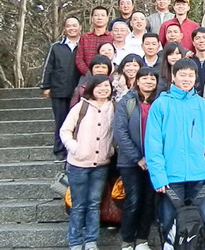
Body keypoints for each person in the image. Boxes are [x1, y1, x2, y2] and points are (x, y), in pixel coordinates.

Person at [145, 58, 205, 247]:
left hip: (199, 176)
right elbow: (153, 144)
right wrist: (159, 177)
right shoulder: (160, 105)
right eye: (182, 75)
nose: (187, 79)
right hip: (171, 177)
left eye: (190, 75)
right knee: (170, 229)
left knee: (202, 227)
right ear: (173, 77)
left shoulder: (202, 105)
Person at [60, 75, 115, 250]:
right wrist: (75, 148)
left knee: (94, 204)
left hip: (101, 164)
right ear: (91, 88)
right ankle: (75, 242)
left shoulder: (113, 107)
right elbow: (65, 130)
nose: (103, 89)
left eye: (106, 86)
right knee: (78, 205)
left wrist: (110, 150)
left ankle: (91, 241)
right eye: (99, 86)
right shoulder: (81, 107)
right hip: (78, 164)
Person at [113, 67, 159, 250]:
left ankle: (142, 239)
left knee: (149, 200)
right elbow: (120, 132)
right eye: (144, 78)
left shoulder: (160, 102)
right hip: (130, 162)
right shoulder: (127, 102)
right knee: (133, 200)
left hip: (154, 160)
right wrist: (138, 158)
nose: (149, 81)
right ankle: (127, 240)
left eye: (152, 78)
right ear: (137, 81)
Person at [40, 16, 82, 161]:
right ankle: (60, 151)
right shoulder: (56, 47)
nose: (72, 28)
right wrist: (46, 86)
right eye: (68, 26)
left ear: (80, 28)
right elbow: (48, 67)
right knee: (61, 121)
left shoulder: (83, 45)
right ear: (64, 29)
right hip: (59, 89)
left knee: (78, 122)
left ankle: (76, 149)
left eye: (74, 25)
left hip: (79, 90)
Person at [75, 6, 113, 76]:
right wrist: (88, 73)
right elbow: (79, 59)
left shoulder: (112, 37)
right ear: (92, 19)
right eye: (96, 15)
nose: (99, 18)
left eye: (102, 15)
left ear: (107, 19)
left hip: (108, 76)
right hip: (87, 76)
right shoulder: (84, 38)